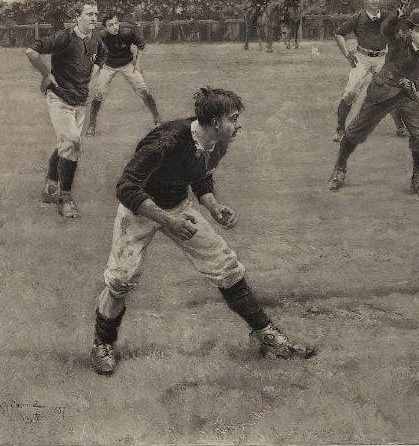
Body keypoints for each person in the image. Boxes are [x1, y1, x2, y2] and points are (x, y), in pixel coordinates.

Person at [89, 85, 314, 371]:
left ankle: (267, 336)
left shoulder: (218, 142)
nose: (238, 124)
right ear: (216, 122)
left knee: (226, 266)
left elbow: (200, 177)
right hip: (140, 210)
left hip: (178, 208)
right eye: (233, 118)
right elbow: (125, 188)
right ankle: (102, 343)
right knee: (121, 279)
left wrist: (213, 206)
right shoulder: (167, 140)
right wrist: (168, 220)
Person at [328, 0, 419, 196]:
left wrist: (414, 84)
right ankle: (339, 168)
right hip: (382, 92)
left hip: (406, 96)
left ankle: (417, 180)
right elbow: (386, 29)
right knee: (354, 132)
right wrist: (398, 11)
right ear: (410, 31)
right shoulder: (398, 41)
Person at [25, 0, 102, 219]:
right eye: (89, 14)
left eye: (96, 14)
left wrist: (94, 72)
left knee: (67, 144)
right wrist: (46, 74)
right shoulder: (65, 37)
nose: (94, 18)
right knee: (72, 142)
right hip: (59, 98)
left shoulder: (96, 38)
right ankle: (65, 199)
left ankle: (50, 185)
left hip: (80, 101)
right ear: (78, 17)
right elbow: (31, 51)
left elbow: (102, 55)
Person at [84, 11, 162, 135]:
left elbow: (141, 45)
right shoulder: (101, 37)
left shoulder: (127, 33)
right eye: (110, 25)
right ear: (105, 27)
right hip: (108, 66)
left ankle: (157, 120)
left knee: (142, 89)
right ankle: (91, 127)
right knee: (98, 94)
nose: (115, 27)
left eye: (116, 23)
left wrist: (137, 64)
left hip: (127, 64)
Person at [331, 0, 392, 141]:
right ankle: (340, 128)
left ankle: (400, 125)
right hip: (362, 58)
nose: (374, 0)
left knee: (391, 92)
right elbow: (338, 33)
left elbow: (400, 24)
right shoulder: (358, 17)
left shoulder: (386, 16)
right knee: (351, 92)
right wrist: (346, 54)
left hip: (381, 58)